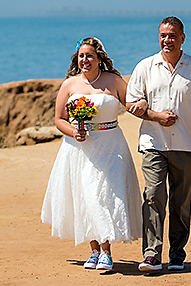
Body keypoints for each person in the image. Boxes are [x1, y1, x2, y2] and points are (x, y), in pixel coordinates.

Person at [126, 16, 191, 272]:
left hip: (186, 145)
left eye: (171, 35)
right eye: (162, 35)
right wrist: (155, 116)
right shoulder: (145, 67)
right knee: (153, 196)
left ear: (182, 38)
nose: (166, 40)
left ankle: (177, 255)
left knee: (181, 203)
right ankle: (151, 255)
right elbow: (131, 104)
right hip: (153, 143)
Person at [41, 37, 143, 272]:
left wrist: (155, 114)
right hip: (79, 148)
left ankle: (107, 252)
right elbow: (59, 120)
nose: (85, 60)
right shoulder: (69, 85)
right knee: (86, 195)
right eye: (81, 56)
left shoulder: (114, 81)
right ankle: (95, 250)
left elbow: (134, 106)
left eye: (89, 56)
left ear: (99, 58)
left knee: (104, 195)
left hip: (111, 146)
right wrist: (74, 131)